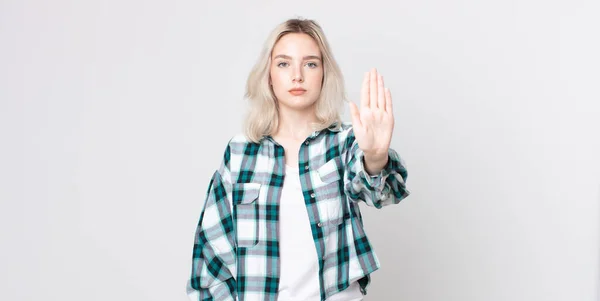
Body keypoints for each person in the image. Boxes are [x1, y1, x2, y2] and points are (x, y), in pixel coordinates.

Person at [186, 18, 410, 301]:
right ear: (268, 74)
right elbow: (211, 255)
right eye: (283, 63)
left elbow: (381, 191)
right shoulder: (240, 152)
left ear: (324, 73)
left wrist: (376, 156)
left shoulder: (344, 143)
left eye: (310, 63)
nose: (297, 76)